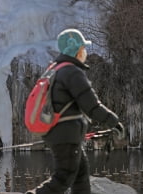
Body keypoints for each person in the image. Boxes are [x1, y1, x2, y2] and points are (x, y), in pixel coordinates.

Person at [26, 28, 125, 194]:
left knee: (81, 180)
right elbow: (92, 106)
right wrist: (113, 121)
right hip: (66, 135)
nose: (84, 52)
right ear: (76, 50)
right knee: (63, 179)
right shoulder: (71, 72)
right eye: (83, 48)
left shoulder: (55, 69)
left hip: (61, 133)